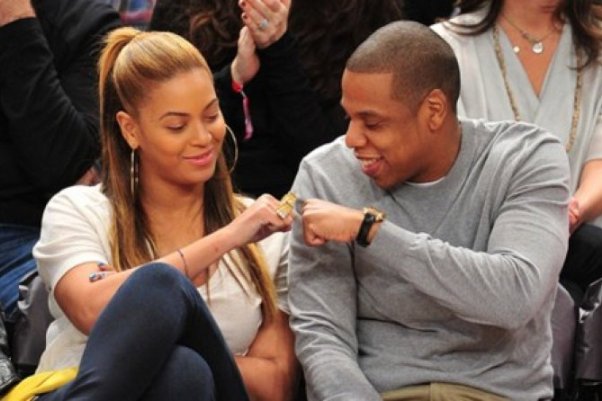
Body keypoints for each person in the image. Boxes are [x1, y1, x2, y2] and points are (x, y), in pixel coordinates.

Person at [3, 27, 297, 401]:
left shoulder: (266, 232)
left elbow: (276, 385)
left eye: (211, 115)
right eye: (177, 126)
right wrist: (229, 238)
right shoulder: (78, 209)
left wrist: (163, 342)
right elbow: (91, 309)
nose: (203, 137)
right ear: (130, 130)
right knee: (163, 292)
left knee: (184, 370)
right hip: (78, 385)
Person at [288, 20, 571, 400]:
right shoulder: (325, 174)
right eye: (348, 118)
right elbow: (323, 335)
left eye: (372, 123)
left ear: (434, 110)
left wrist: (371, 231)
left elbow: (515, 297)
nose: (352, 139)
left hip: (494, 394)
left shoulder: (526, 159)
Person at [431, 0, 602, 299]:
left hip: (586, 257)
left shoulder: (596, 47)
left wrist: (572, 211)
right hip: (479, 264)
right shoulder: (444, 48)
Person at [149, 0, 405, 198]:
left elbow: (333, 159)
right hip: (199, 199)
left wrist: (277, 49)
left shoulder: (363, 12)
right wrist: (233, 78)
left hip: (307, 210)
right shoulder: (187, 8)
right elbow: (155, 111)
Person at [0, 0, 121, 323]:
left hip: (32, 235)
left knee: (76, 307)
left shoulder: (87, 22)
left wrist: (14, 20)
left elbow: (63, 168)